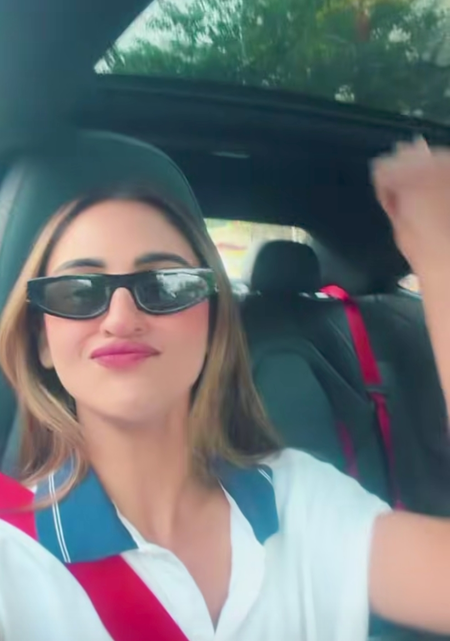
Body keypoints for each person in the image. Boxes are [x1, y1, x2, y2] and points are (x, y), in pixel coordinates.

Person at [0, 137, 449, 641]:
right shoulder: (12, 558)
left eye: (166, 284)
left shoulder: (299, 500)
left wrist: (440, 257)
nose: (121, 319)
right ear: (42, 340)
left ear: (211, 324)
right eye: (77, 291)